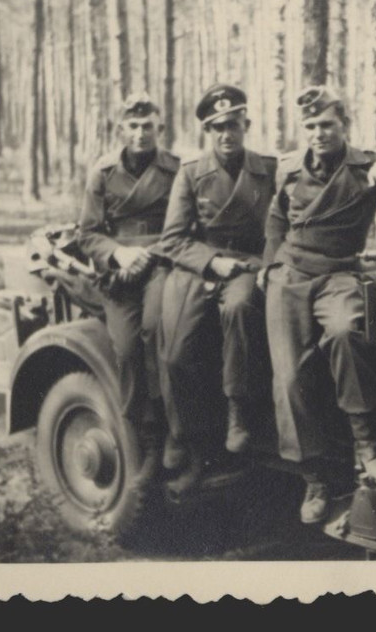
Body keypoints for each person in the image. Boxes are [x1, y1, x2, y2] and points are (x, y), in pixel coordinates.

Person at [261, 86, 376, 524]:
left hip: (338, 272)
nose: (318, 133)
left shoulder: (367, 167)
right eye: (310, 126)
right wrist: (269, 267)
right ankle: (315, 480)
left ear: (343, 125)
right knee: (288, 378)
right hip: (289, 277)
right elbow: (276, 219)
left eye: (326, 124)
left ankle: (367, 444)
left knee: (349, 332)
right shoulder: (289, 168)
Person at [157, 85, 277, 493]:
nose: (227, 134)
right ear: (208, 131)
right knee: (175, 351)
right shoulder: (191, 173)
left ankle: (238, 411)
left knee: (241, 308)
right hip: (200, 264)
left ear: (247, 124)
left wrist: (262, 265)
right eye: (218, 127)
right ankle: (181, 435)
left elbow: (281, 228)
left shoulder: (268, 170)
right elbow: (172, 240)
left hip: (247, 263)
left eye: (234, 125)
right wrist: (212, 261)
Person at [77, 95, 179, 428]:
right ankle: (144, 436)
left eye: (147, 126)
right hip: (119, 273)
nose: (140, 133)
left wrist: (149, 254)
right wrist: (119, 254)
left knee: (159, 331)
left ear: (160, 128)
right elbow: (88, 234)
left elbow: (186, 226)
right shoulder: (103, 173)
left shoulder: (176, 171)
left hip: (162, 264)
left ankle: (177, 431)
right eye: (133, 126)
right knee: (126, 347)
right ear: (121, 129)